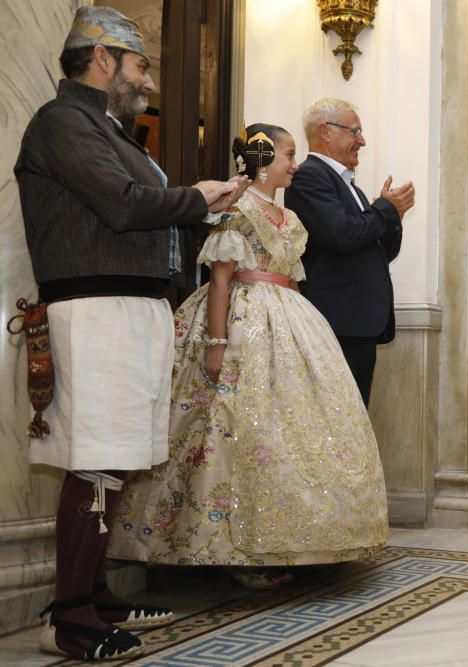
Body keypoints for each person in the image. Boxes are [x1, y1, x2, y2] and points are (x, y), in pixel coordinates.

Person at [13, 7, 245, 660]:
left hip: (132, 308)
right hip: (93, 311)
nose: (146, 78)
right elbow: (119, 203)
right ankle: (70, 616)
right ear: (103, 58)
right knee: (93, 459)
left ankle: (98, 594)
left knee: (114, 459)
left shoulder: (112, 132)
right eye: (139, 64)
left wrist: (204, 209)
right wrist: (197, 197)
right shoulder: (61, 121)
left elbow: (147, 214)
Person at [108, 124, 389, 584]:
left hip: (289, 319)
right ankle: (224, 549)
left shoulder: (290, 218)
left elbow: (293, 279)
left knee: (290, 433)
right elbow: (220, 279)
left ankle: (290, 541)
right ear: (262, 159)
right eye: (288, 155)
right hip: (239, 319)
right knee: (225, 429)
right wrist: (216, 344)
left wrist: (308, 337)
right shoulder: (236, 211)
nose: (294, 165)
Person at [284, 98, 414, 406]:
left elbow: (379, 253)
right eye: (355, 131)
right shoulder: (308, 177)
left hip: (359, 322)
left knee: (354, 418)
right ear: (325, 132)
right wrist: (384, 209)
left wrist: (393, 218)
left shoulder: (351, 188)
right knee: (335, 417)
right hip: (336, 321)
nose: (362, 141)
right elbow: (341, 235)